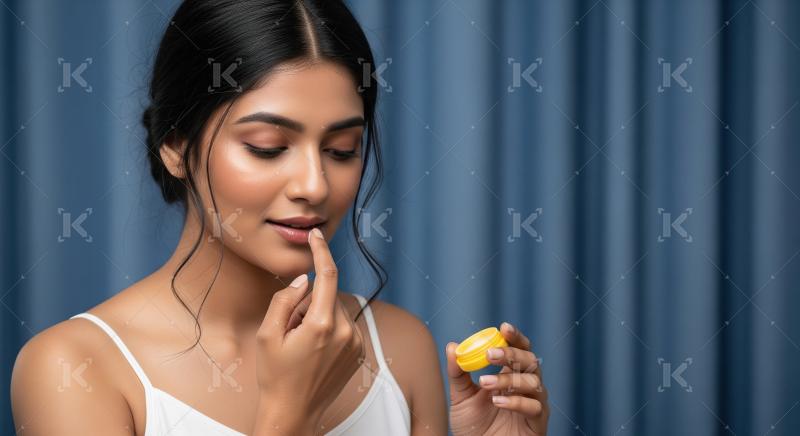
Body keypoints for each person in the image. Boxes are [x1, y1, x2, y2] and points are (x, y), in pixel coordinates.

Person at [10, 1, 549, 434]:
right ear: (174, 146)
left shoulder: (400, 348)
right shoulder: (73, 369)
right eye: (268, 146)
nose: (314, 186)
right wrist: (289, 416)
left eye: (341, 150)